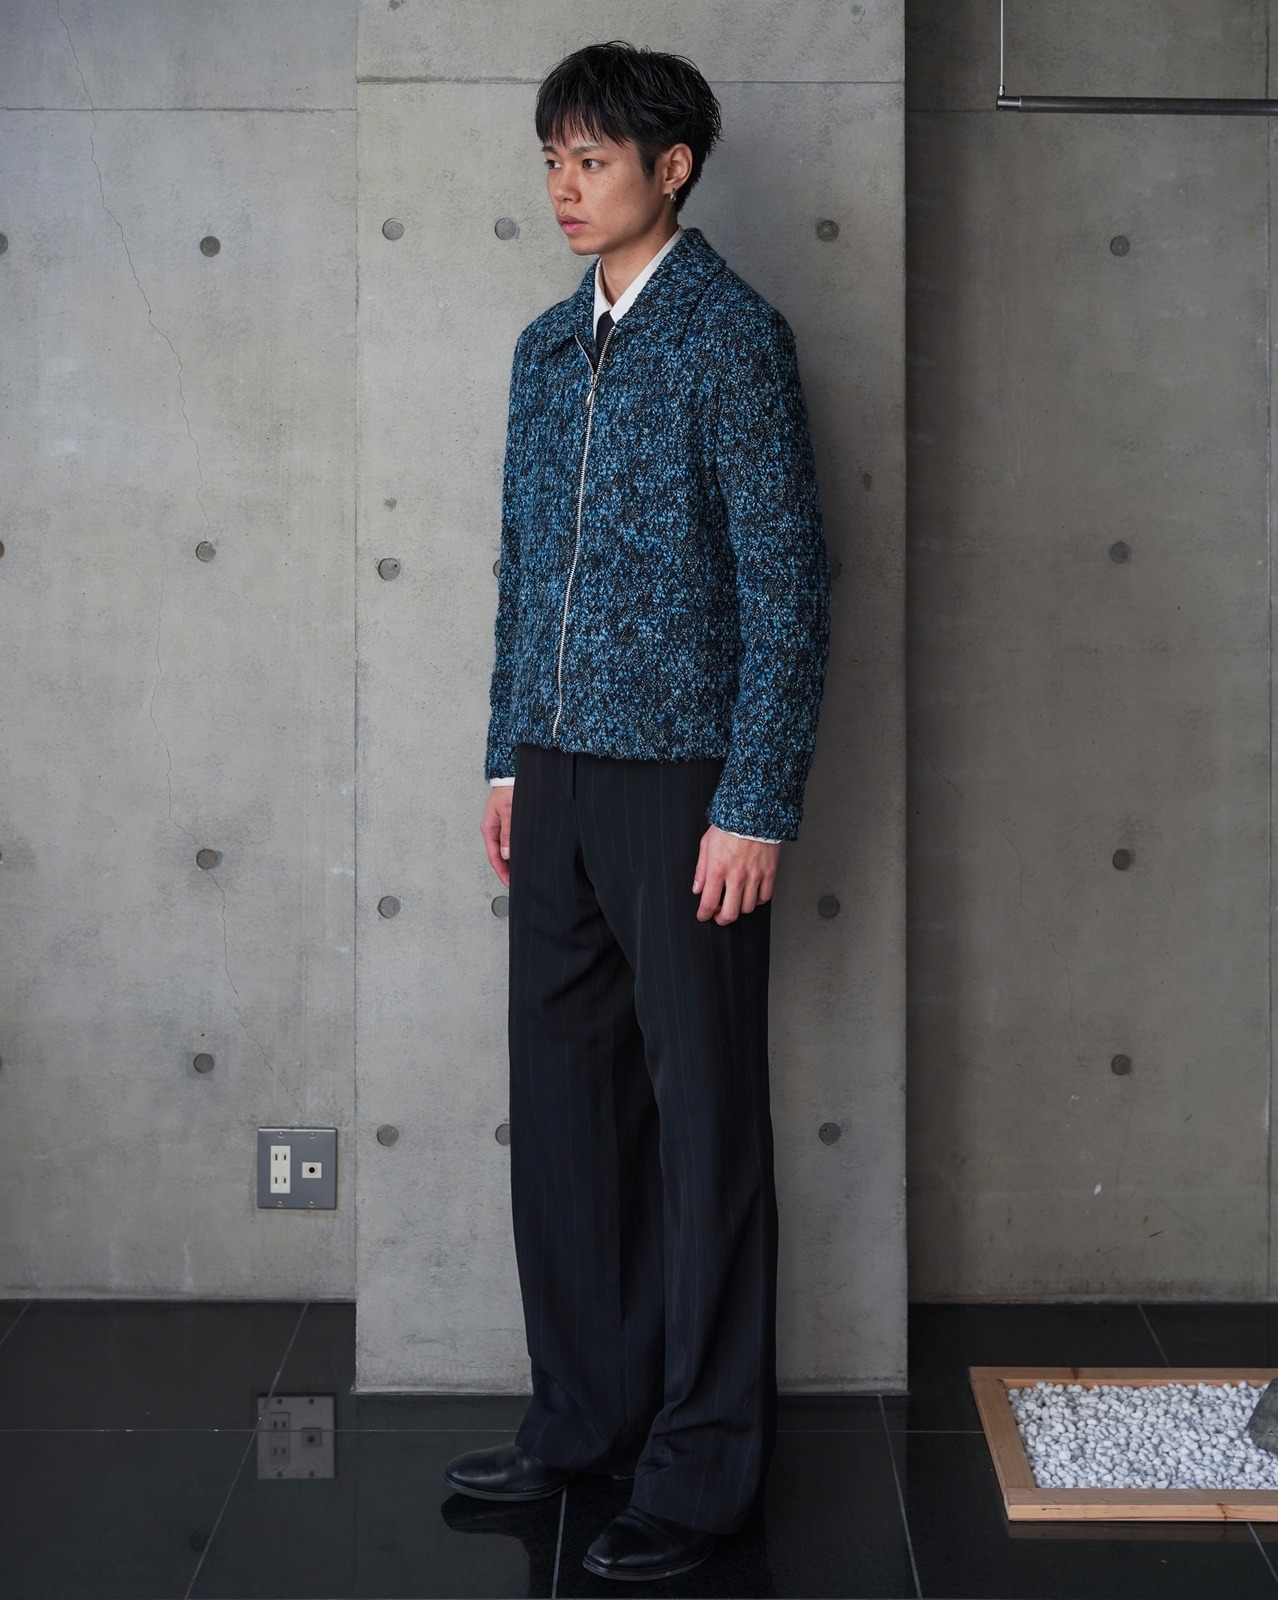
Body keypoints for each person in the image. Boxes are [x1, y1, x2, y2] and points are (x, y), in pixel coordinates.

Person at [443, 39, 831, 1584]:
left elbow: (792, 587)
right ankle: (581, 1419)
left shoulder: (734, 338)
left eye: (591, 159)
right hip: (552, 778)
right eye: (552, 158)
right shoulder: (545, 348)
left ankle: (704, 1464)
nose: (564, 185)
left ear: (670, 169)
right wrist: (503, 757)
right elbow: (517, 572)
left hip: (685, 787)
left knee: (704, 1126)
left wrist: (757, 803)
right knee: (565, 1117)